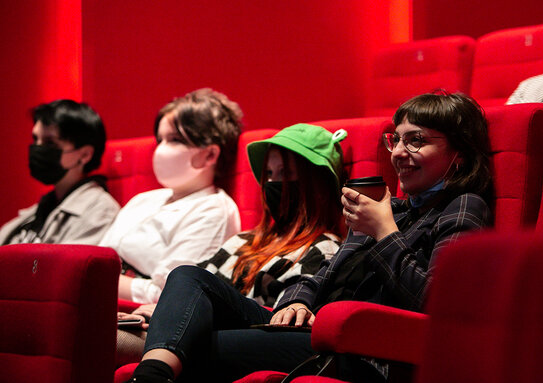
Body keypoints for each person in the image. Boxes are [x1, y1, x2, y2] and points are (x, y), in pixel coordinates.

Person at [124, 92, 492, 383]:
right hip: (310, 329)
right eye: (395, 139)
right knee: (188, 276)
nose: (397, 153)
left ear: (457, 154)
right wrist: (297, 301)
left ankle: (152, 374)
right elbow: (321, 276)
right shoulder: (391, 208)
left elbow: (435, 302)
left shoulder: (462, 206)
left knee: (195, 345)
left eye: (416, 141)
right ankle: (152, 375)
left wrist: (383, 231)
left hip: (359, 346)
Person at [115, 124, 346, 365]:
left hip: (250, 337)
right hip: (192, 329)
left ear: (316, 184)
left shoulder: (324, 248)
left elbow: (285, 318)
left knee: (184, 278)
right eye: (268, 174)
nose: (273, 183)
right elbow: (195, 287)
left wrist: (175, 317)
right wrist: (159, 310)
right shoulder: (243, 240)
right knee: (104, 332)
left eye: (286, 174)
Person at [99, 89, 241, 304]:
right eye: (160, 140)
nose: (161, 150)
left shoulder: (213, 210)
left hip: (143, 319)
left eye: (175, 140)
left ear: (210, 154)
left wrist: (102, 280)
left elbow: (170, 293)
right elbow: (99, 256)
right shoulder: (143, 199)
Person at [0, 99, 119, 245]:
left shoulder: (99, 212)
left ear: (85, 155)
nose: (38, 148)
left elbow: (65, 266)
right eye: (35, 139)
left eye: (50, 143)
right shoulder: (39, 209)